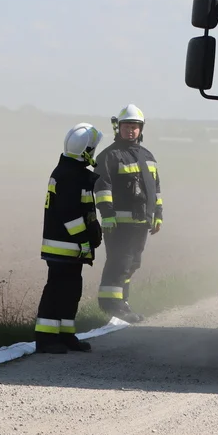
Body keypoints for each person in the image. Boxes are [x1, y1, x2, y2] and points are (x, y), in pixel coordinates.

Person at [34, 122, 104, 354]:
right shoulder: (68, 175)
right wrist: (84, 241)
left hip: (71, 247)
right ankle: (46, 339)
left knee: (71, 290)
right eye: (92, 149)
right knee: (57, 289)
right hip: (64, 246)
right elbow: (70, 215)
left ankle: (65, 335)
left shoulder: (72, 172)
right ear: (85, 151)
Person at [93, 103, 163, 323]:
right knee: (120, 262)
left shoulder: (147, 156)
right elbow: (102, 187)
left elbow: (155, 189)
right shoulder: (109, 156)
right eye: (127, 126)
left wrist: (158, 214)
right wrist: (108, 214)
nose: (131, 130)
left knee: (133, 263)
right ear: (118, 127)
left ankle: (121, 301)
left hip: (142, 222)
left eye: (135, 126)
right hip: (119, 222)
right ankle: (111, 305)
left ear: (141, 129)